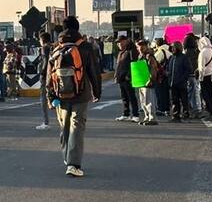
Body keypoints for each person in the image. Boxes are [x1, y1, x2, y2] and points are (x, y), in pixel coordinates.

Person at [47, 17, 102, 177]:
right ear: (77, 29)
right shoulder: (85, 47)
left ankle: (67, 157)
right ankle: (73, 164)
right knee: (76, 126)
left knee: (64, 126)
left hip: (60, 94)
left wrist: (50, 96)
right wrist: (97, 92)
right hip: (81, 93)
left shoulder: (56, 48)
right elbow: (94, 71)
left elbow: (49, 75)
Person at [114, 36, 140, 122]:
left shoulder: (131, 51)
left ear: (125, 41)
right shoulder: (121, 52)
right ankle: (126, 114)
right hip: (121, 77)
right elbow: (118, 65)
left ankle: (135, 114)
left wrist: (129, 75)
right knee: (124, 97)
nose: (119, 44)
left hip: (127, 78)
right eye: (118, 43)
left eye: (121, 42)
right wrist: (116, 75)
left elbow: (134, 63)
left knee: (131, 96)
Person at [136, 40, 159, 126]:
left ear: (146, 46)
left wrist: (151, 79)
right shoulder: (140, 56)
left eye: (143, 45)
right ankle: (147, 117)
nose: (141, 47)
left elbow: (153, 68)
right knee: (143, 101)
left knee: (149, 100)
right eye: (139, 46)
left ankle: (152, 118)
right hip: (142, 81)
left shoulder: (149, 56)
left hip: (148, 81)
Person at [167, 41, 191, 122]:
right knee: (174, 100)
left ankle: (185, 115)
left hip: (181, 83)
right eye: (172, 48)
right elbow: (168, 68)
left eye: (174, 47)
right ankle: (175, 115)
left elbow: (188, 69)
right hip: (172, 83)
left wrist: (183, 79)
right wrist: (168, 74)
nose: (172, 49)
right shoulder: (171, 58)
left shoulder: (184, 57)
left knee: (184, 100)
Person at [197, 36, 212, 120]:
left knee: (206, 96)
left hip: (205, 76)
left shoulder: (202, 53)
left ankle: (211, 113)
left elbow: (201, 67)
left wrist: (200, 78)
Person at [36, 32, 52, 130]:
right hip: (53, 75)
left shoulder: (44, 48)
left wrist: (42, 72)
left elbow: (45, 60)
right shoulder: (53, 47)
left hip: (45, 76)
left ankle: (45, 122)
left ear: (42, 40)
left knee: (43, 98)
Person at [152, 38, 172, 116]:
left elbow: (155, 62)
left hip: (160, 76)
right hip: (167, 74)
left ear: (157, 44)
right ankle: (166, 108)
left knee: (160, 93)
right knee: (166, 93)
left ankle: (161, 109)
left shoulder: (160, 52)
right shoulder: (169, 51)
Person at [183, 33, 201, 117]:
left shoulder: (185, 53)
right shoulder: (197, 52)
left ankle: (190, 109)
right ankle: (197, 108)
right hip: (195, 74)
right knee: (195, 92)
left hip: (188, 74)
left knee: (190, 92)